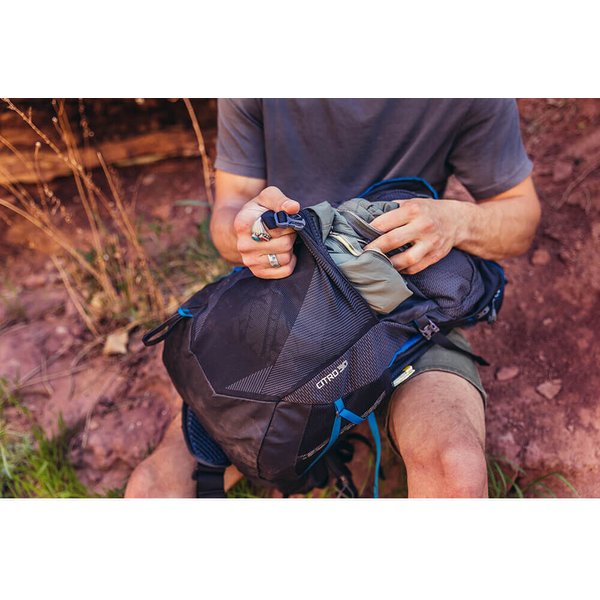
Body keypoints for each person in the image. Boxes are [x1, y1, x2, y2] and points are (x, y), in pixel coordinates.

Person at [125, 99, 541, 498]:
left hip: (408, 313)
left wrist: (455, 221)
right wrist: (251, 235)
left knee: (457, 469)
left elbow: (521, 217)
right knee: (152, 489)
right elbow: (230, 209)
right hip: (284, 308)